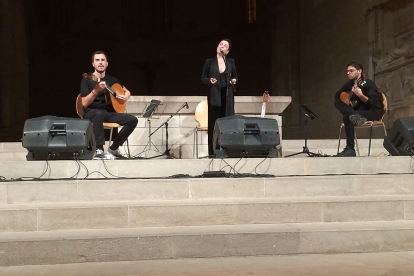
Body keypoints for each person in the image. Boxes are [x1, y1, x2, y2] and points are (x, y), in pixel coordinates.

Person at [80, 51, 138, 159]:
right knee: (98, 114)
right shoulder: (87, 79)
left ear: (107, 63)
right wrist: (96, 90)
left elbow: (127, 91)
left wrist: (126, 96)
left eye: (103, 60)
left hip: (107, 112)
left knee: (133, 120)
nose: (100, 62)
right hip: (91, 112)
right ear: (93, 64)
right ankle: (99, 150)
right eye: (97, 60)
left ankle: (114, 149)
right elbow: (84, 103)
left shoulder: (111, 79)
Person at [334, 62, 382, 157]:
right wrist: (346, 101)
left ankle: (350, 149)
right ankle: (354, 115)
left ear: (359, 71)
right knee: (337, 102)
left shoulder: (368, 84)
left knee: (347, 117)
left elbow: (371, 103)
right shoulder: (350, 84)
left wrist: (360, 95)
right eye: (347, 71)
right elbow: (337, 95)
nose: (348, 73)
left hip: (372, 111)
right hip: (358, 112)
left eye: (351, 71)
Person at [201, 39, 238, 156]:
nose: (221, 46)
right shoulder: (209, 62)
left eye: (224, 45)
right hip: (215, 96)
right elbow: (203, 78)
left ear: (227, 50)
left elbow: (236, 77)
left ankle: (228, 151)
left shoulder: (231, 62)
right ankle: (213, 152)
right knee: (214, 124)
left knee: (227, 123)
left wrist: (234, 80)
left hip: (227, 96)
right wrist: (210, 80)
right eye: (220, 44)